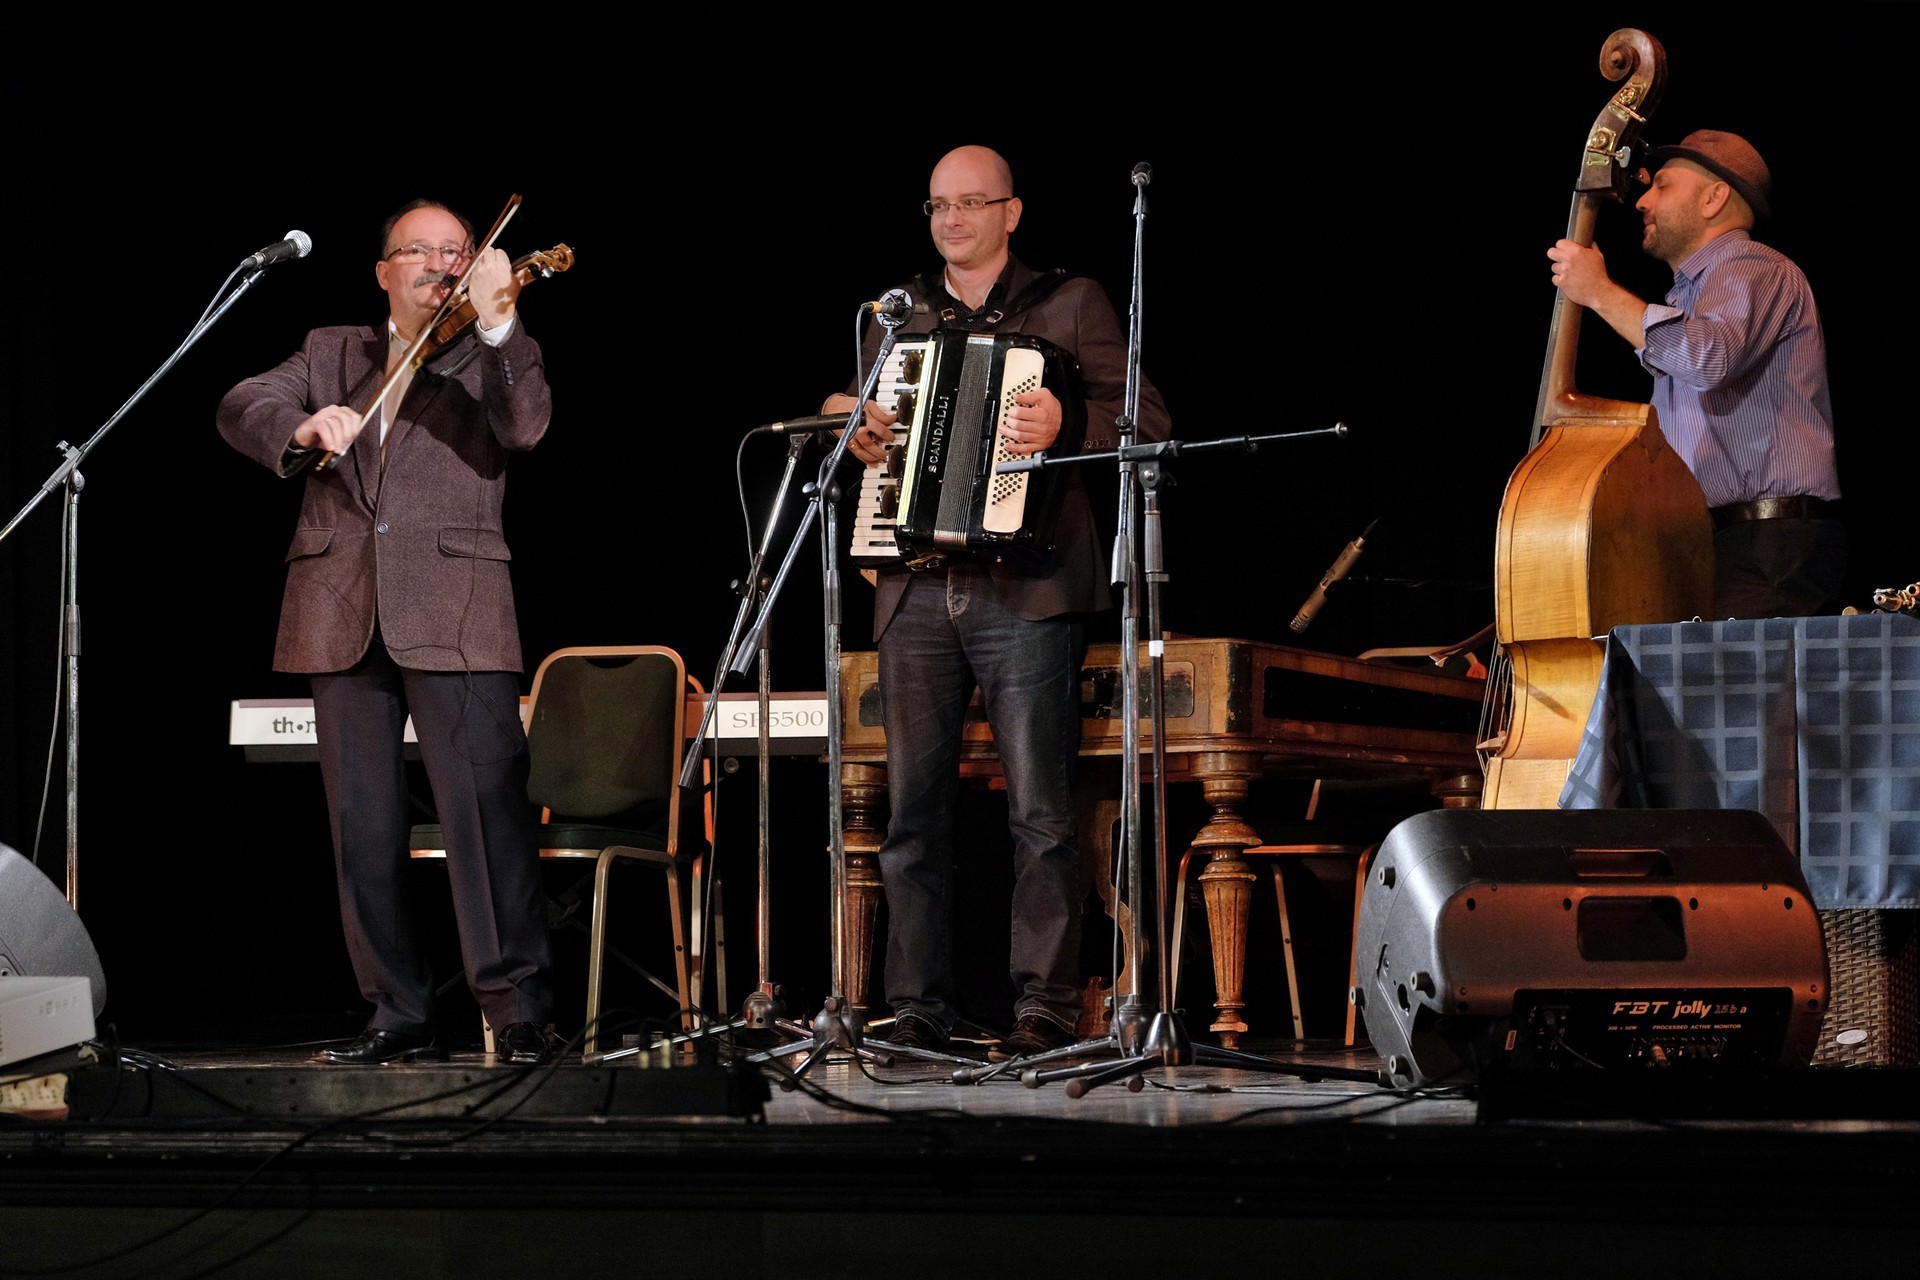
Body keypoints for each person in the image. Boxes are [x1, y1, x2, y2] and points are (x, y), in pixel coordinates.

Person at [824, 145, 1173, 1061]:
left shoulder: (1071, 302)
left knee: (1041, 816)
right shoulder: (898, 314)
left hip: (1028, 586)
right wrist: (848, 423)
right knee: (912, 818)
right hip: (913, 585)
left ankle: (1045, 1007)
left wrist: (1070, 423)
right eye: (939, 205)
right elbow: (860, 421)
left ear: (1011, 212)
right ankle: (917, 1007)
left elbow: (1147, 419)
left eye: (971, 203)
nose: (952, 220)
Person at [217, 198, 561, 1066]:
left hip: (457, 610)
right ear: (383, 271)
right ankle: (397, 1011)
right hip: (339, 606)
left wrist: (499, 323)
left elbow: (525, 426)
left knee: (485, 819)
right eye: (422, 250)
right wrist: (301, 425)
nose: (443, 264)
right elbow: (243, 403)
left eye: (457, 250)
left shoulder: (493, 351)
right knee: (362, 827)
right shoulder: (333, 350)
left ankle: (517, 1009)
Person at [1547, 129, 1845, 619]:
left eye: (1663, 186)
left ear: (1714, 198)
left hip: (1763, 543)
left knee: (1737, 674)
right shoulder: (1690, 295)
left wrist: (1598, 290)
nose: (1643, 201)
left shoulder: (1752, 266)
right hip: (1719, 542)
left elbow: (1708, 359)